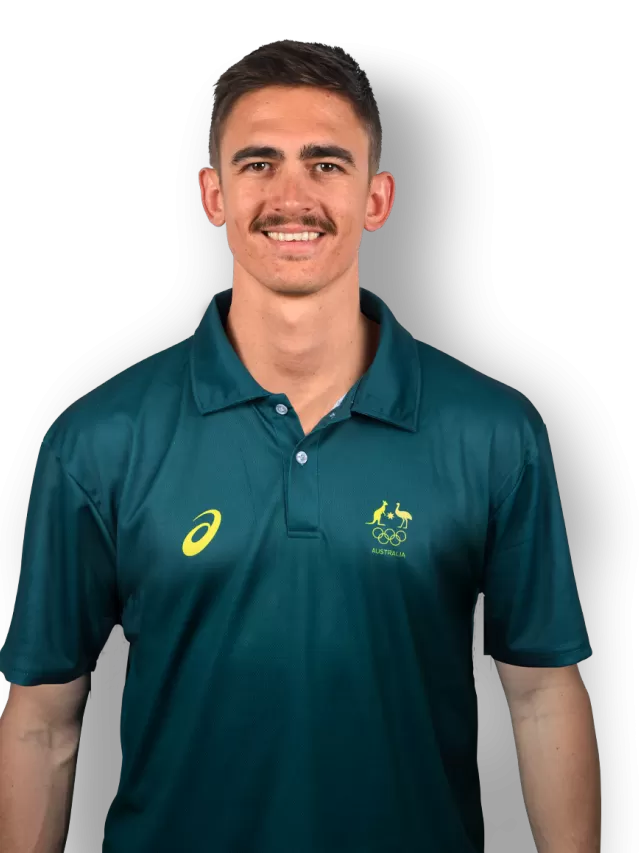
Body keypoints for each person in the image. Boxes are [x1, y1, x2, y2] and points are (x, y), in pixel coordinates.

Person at [0, 39, 601, 853]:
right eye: (258, 164)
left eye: (324, 164)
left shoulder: (494, 431)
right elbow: (43, 720)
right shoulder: (96, 439)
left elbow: (539, 697)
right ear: (212, 194)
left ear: (376, 197)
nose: (291, 197)